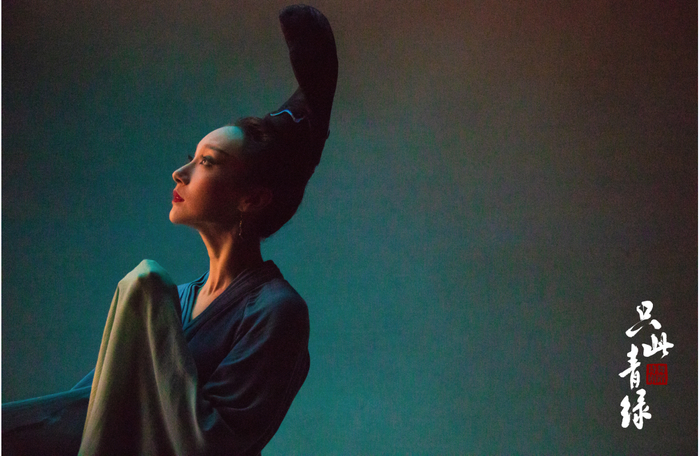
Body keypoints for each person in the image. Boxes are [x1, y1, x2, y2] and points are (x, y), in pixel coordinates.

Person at [2, 5, 338, 455]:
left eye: (207, 162)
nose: (180, 173)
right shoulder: (173, 300)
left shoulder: (276, 312)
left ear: (253, 199)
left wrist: (150, 298)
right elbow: (87, 412)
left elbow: (210, 445)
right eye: (190, 158)